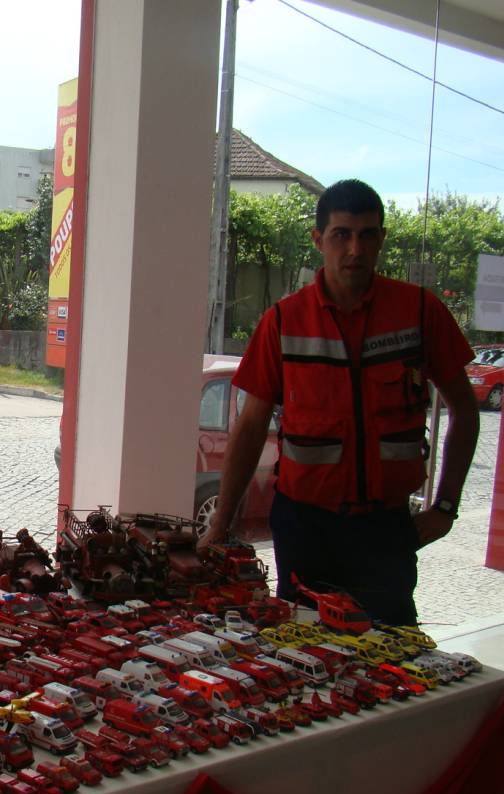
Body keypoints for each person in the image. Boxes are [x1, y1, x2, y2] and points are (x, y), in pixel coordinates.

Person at [197, 179, 479, 625]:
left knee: (392, 656)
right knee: (299, 650)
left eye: (368, 235)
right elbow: (250, 427)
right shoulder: (284, 322)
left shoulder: (420, 313)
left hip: (384, 529)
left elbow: (465, 409)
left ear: (382, 239)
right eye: (341, 235)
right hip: (305, 528)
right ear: (318, 240)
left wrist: (445, 507)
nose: (355, 249)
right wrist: (221, 521)